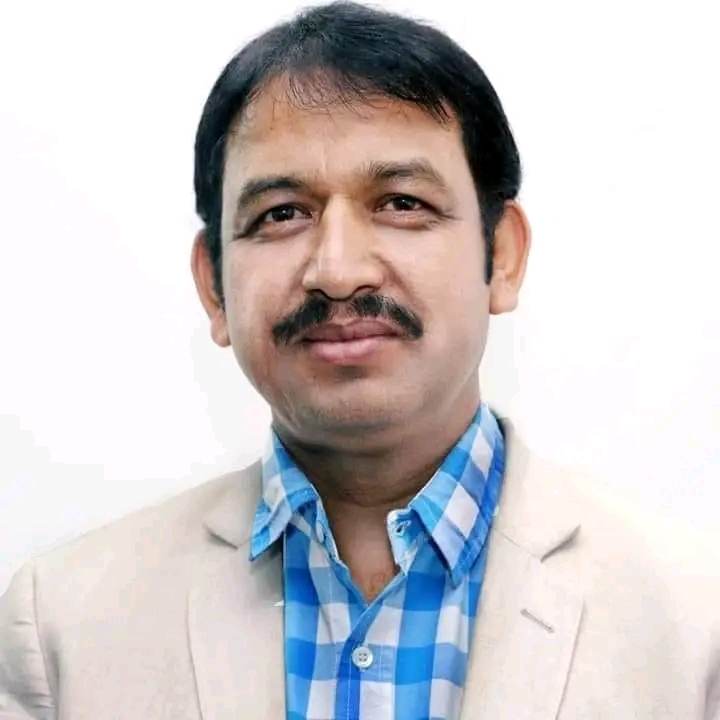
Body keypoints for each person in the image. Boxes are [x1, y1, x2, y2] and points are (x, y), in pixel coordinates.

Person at [1, 2, 719, 718]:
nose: (338, 271)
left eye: (401, 202)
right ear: (214, 285)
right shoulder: (63, 627)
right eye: (282, 213)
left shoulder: (696, 625)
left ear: (501, 256)